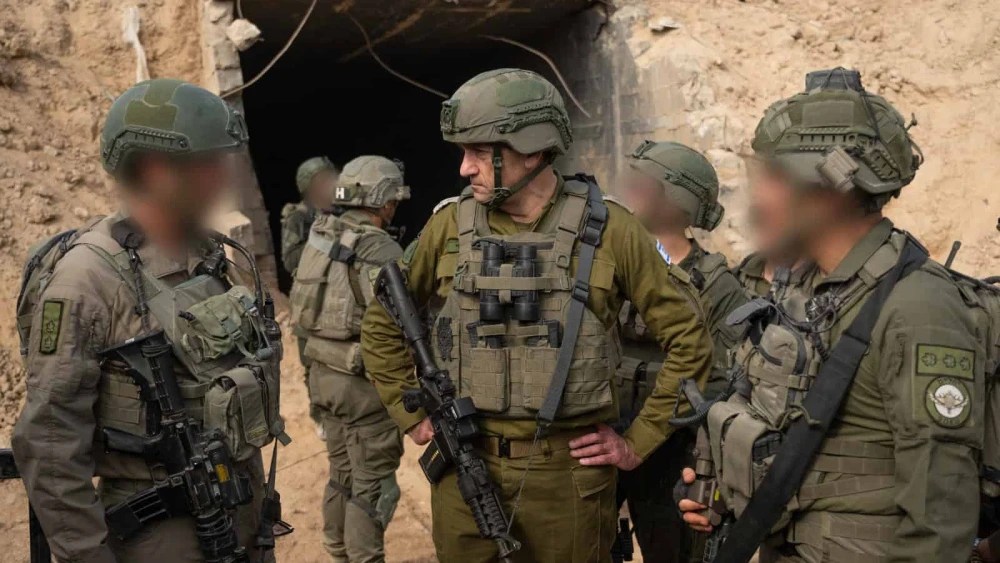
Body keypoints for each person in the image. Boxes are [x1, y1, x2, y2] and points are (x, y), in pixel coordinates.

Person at [361, 68, 713, 563]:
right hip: (465, 470)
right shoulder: (449, 226)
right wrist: (409, 411)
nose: (464, 168)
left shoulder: (613, 230)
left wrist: (638, 441)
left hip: (569, 481)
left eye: (481, 152)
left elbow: (690, 339)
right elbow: (382, 320)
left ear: (531, 149)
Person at [679, 68, 985, 562]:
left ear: (833, 187)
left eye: (776, 176)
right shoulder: (801, 288)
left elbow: (940, 517)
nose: (760, 194)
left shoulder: (918, 308)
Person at [11, 78, 285, 563]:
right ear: (157, 170)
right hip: (159, 533)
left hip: (240, 511)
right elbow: (51, 445)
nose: (226, 176)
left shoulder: (209, 254)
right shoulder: (86, 280)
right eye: (210, 163)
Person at [614, 140, 749, 563]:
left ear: (676, 199)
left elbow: (724, 381)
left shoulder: (718, 285)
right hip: (605, 437)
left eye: (643, 184)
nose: (630, 191)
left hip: (677, 451)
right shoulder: (607, 265)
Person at [289, 155, 411, 563]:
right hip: (361, 386)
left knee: (342, 476)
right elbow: (406, 321)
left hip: (323, 376)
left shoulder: (323, 232)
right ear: (383, 201)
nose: (395, 205)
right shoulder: (378, 248)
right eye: (393, 198)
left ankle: (338, 554)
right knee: (372, 487)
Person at [282, 155, 337, 430]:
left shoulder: (344, 211)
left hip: (339, 300)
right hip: (310, 301)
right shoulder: (299, 217)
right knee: (312, 364)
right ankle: (320, 417)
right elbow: (290, 259)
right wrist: (324, 240)